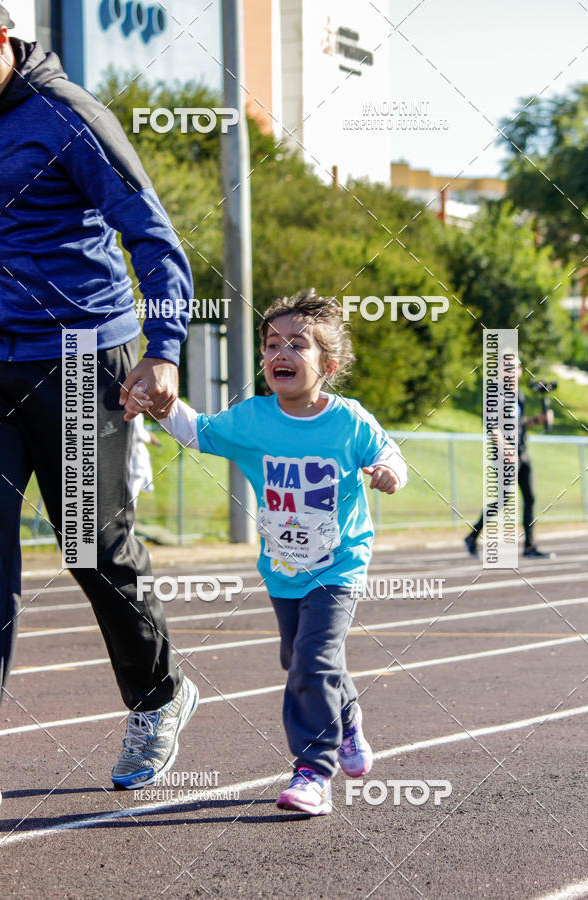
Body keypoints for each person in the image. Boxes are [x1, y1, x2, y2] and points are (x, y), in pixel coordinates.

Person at [0, 5, 197, 807]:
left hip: (80, 354)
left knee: (91, 546)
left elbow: (151, 233)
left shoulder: (68, 116)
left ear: (1, 39)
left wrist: (166, 347)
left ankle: (156, 697)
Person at [124, 289, 408, 816]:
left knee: (313, 660)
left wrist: (389, 473)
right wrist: (159, 404)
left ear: (328, 363)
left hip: (339, 564)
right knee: (298, 659)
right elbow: (196, 430)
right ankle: (346, 719)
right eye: (271, 343)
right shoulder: (254, 420)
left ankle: (312, 772)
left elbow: (388, 452)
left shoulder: (349, 421)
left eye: (297, 345)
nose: (280, 353)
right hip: (283, 569)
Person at [465, 358, 553, 560]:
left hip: (522, 452)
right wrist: (505, 448)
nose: (511, 372)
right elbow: (492, 425)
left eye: (514, 368)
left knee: (530, 498)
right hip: (505, 455)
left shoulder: (518, 396)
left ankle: (529, 546)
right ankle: (472, 536)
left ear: (520, 371)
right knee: (503, 500)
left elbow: (519, 424)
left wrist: (538, 420)